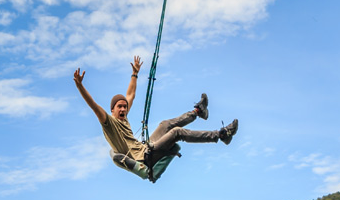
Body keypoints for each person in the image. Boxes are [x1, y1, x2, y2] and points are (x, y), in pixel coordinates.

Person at [73, 56, 238, 179]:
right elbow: (94, 106)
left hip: (147, 147)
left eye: (124, 106)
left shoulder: (124, 118)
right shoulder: (109, 122)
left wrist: (134, 74)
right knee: (177, 132)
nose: (123, 108)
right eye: (120, 107)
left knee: (165, 124)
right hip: (144, 159)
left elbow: (130, 94)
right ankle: (221, 135)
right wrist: (80, 86)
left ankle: (198, 112)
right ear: (112, 110)